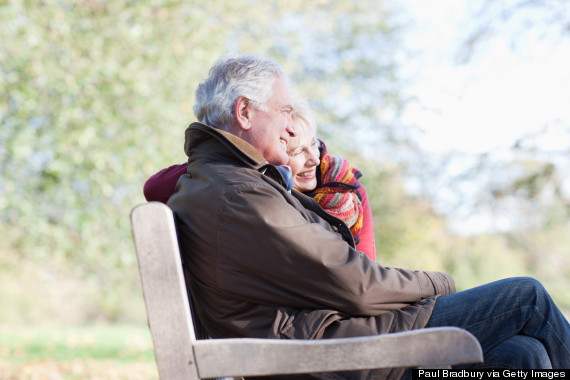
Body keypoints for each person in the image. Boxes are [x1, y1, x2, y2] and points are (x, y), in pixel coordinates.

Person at [164, 53, 570, 379]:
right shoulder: (240, 193)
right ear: (245, 113)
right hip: (332, 353)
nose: (292, 127)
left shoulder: (222, 182)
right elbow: (354, 283)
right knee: (525, 297)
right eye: (284, 111)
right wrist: (440, 282)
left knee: (523, 354)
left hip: (323, 343)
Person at [143, 97, 377, 259]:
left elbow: (365, 266)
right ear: (275, 156)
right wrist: (241, 156)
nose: (314, 160)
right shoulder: (259, 194)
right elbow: (155, 188)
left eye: (314, 144)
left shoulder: (346, 187)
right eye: (296, 152)